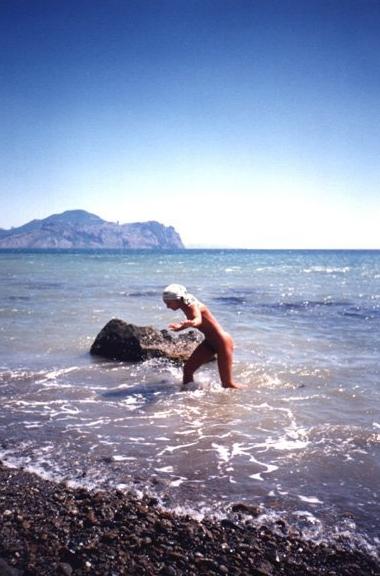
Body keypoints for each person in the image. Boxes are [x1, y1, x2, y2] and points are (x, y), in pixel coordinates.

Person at [162, 284, 245, 389]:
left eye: (168, 303)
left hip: (222, 342)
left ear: (178, 300)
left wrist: (191, 323)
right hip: (209, 342)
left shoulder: (192, 305)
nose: (167, 306)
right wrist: (181, 327)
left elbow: (198, 320)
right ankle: (187, 398)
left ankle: (253, 393)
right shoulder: (185, 303)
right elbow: (195, 322)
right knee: (187, 370)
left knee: (228, 384)